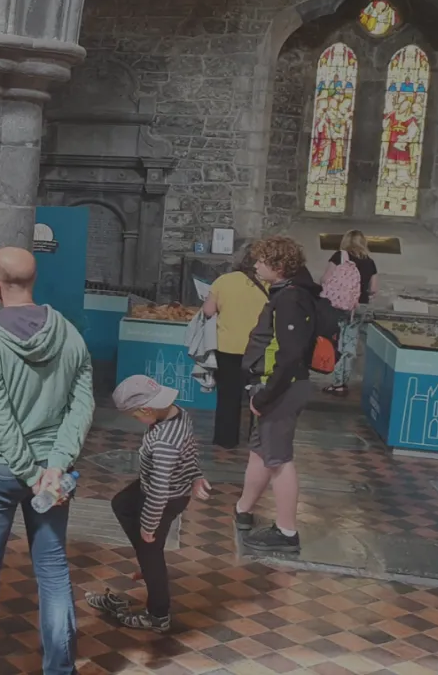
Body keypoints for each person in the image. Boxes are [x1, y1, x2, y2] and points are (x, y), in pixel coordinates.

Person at [0, 247, 95, 675]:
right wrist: (55, 464)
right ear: (34, 280)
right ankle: (60, 669)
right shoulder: (69, 333)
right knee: (52, 572)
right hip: (51, 472)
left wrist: (32, 472)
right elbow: (82, 405)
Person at [86, 375, 209, 633]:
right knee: (121, 503)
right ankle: (147, 559)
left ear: (147, 409)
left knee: (150, 548)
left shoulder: (164, 442)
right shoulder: (177, 413)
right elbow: (189, 450)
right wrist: (196, 475)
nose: (136, 421)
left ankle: (158, 615)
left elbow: (159, 491)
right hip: (160, 487)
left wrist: (148, 526)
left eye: (134, 416)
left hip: (164, 497)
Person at [237, 235, 320, 553]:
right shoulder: (287, 293)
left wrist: (265, 396)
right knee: (261, 452)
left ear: (280, 266)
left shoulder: (289, 299)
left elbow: (289, 355)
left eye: (261, 260)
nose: (256, 265)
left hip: (282, 387)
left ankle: (287, 532)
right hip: (277, 385)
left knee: (280, 460)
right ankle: (243, 509)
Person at [202, 243, 269, 448]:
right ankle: (257, 440)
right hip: (258, 349)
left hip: (228, 347)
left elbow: (208, 311)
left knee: (227, 396)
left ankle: (226, 439)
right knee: (259, 394)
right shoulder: (269, 284)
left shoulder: (224, 281)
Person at [323, 230, 378, 397]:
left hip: (339, 306)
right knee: (350, 344)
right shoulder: (370, 262)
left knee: (337, 342)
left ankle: (337, 383)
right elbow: (374, 289)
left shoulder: (339, 256)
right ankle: (344, 381)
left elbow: (326, 279)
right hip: (359, 306)